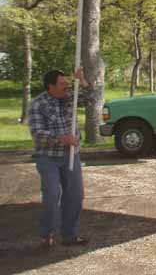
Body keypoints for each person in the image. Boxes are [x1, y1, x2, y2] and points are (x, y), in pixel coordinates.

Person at [28, 68, 94, 247]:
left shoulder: (70, 97)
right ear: (51, 86)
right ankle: (47, 233)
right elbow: (37, 134)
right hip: (48, 157)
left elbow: (91, 99)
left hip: (71, 154)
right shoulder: (37, 104)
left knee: (75, 195)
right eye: (62, 83)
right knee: (51, 194)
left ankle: (69, 235)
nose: (67, 86)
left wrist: (83, 80)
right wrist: (61, 139)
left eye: (67, 82)